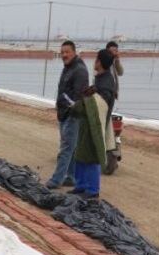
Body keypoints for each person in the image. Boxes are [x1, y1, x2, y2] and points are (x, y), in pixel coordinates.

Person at [68, 49, 116, 201]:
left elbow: (100, 105)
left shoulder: (107, 82)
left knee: (92, 156)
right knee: (81, 154)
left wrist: (84, 103)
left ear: (100, 62)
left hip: (95, 125)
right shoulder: (101, 78)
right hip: (87, 123)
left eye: (96, 59)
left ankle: (92, 189)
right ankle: (81, 185)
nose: (95, 62)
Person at [45, 40, 89, 189]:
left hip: (72, 115)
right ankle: (71, 177)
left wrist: (70, 111)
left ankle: (56, 180)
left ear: (74, 52)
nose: (64, 55)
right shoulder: (68, 68)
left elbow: (78, 96)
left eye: (67, 52)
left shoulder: (79, 70)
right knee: (71, 148)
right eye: (62, 52)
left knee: (66, 149)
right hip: (64, 114)